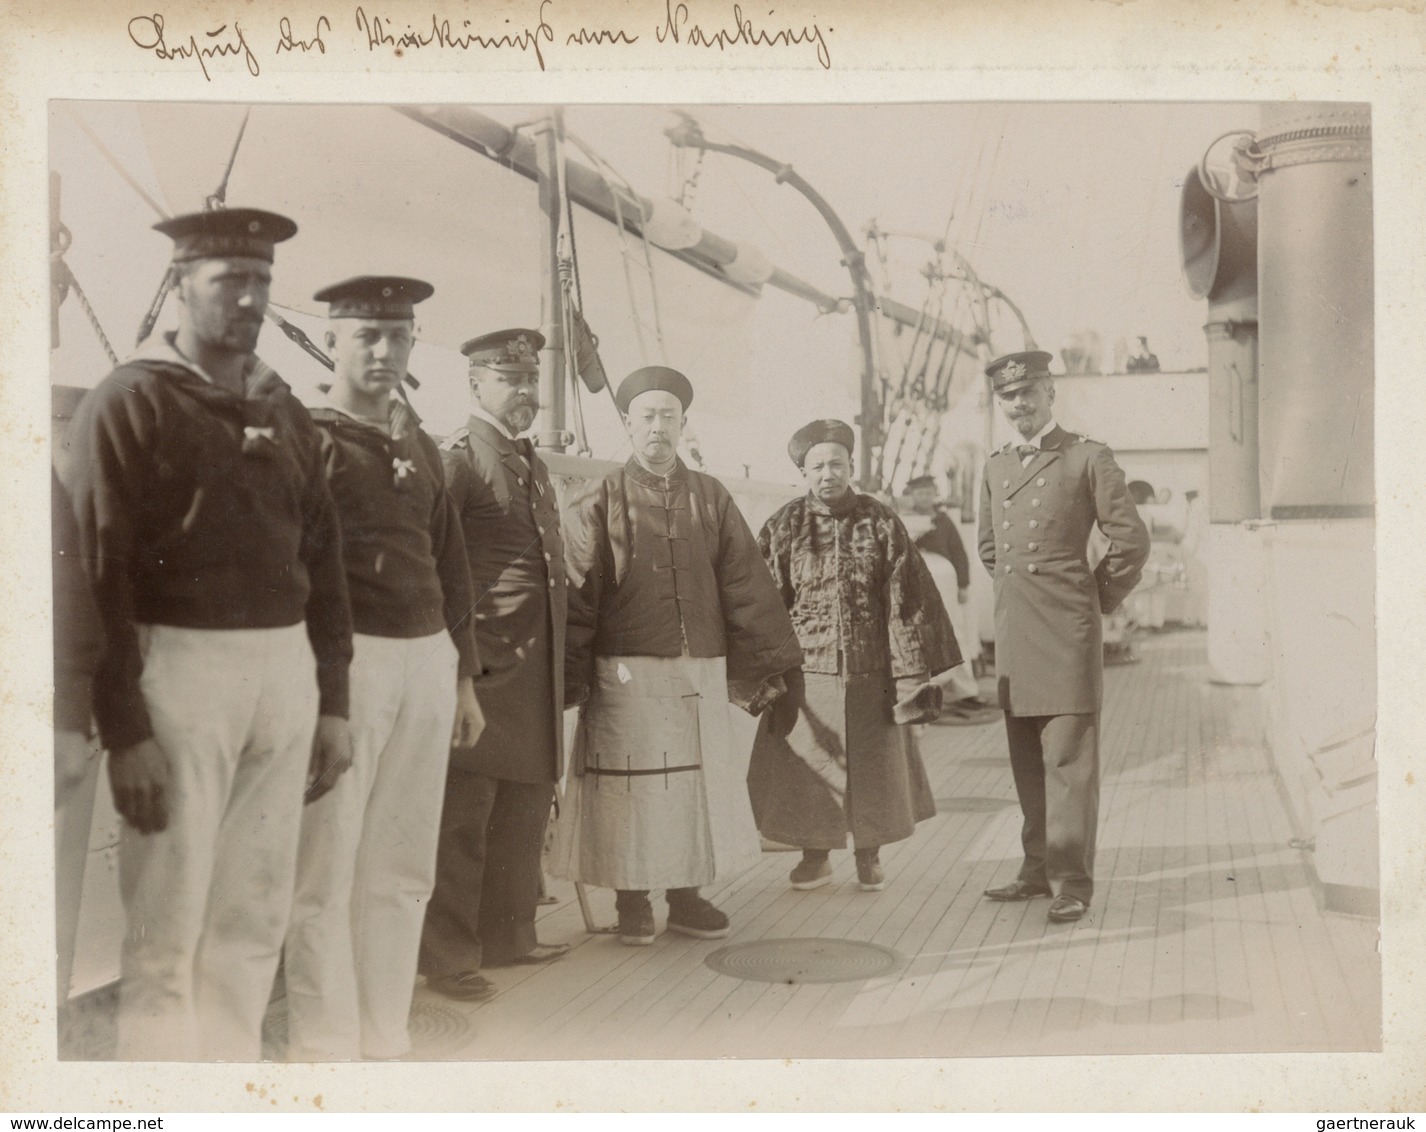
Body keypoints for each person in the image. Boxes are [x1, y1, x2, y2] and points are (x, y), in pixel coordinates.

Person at [60, 208, 355, 1059]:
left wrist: (332, 702)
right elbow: (100, 575)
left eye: (262, 281)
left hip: (284, 674)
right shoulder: (135, 397)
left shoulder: (286, 409)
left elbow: (324, 561)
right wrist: (125, 732)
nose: (252, 298)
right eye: (232, 281)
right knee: (168, 926)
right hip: (178, 671)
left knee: (253, 916)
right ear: (183, 286)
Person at [283, 277, 485, 1060]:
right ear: (330, 340)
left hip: (429, 663)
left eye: (399, 336)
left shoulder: (419, 443)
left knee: (402, 865)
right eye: (366, 335)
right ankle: (326, 1048)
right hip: (349, 663)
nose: (384, 351)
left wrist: (464, 677)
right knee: (325, 867)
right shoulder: (306, 437)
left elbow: (451, 563)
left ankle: (385, 1035)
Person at [552, 366, 803, 946]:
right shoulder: (599, 496)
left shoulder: (711, 496)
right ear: (628, 424)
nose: (658, 427)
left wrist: (774, 668)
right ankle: (633, 900)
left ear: (683, 424)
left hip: (699, 667)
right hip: (625, 671)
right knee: (629, 790)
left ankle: (687, 897)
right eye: (647, 416)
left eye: (668, 415)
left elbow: (745, 583)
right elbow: (576, 590)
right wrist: (572, 673)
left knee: (694, 788)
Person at [419, 328, 570, 1002]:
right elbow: (430, 562)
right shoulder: (459, 460)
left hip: (533, 668)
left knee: (523, 811)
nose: (527, 395)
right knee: (464, 821)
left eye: (532, 381)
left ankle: (509, 937)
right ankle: (448, 958)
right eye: (512, 381)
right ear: (476, 384)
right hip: (482, 666)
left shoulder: (528, 463)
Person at [747, 420, 960, 892]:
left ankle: (870, 855)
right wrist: (765, 672)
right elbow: (764, 601)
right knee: (810, 766)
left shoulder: (879, 520)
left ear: (851, 467)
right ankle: (814, 856)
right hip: (808, 672)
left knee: (874, 766)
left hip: (872, 670)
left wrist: (910, 677)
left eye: (837, 464)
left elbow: (908, 597)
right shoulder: (785, 525)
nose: (828, 474)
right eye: (818, 465)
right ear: (803, 471)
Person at [977, 351, 1149, 923]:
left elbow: (1131, 542)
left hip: (1068, 632)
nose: (1019, 405)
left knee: (1069, 763)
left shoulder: (1087, 457)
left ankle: (1072, 881)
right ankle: (1034, 869)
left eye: (1028, 392)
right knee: (1028, 758)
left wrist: (1092, 599)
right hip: (1017, 633)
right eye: (1008, 397)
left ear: (1051, 392)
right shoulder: (996, 466)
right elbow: (989, 549)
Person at [904, 473, 998, 723]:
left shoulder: (944, 521)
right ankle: (921, 693)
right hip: (913, 582)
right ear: (910, 496)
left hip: (944, 579)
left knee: (953, 632)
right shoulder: (902, 521)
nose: (924, 497)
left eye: (928, 492)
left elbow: (959, 552)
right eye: (919, 493)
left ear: (934, 495)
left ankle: (964, 690)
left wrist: (964, 584)